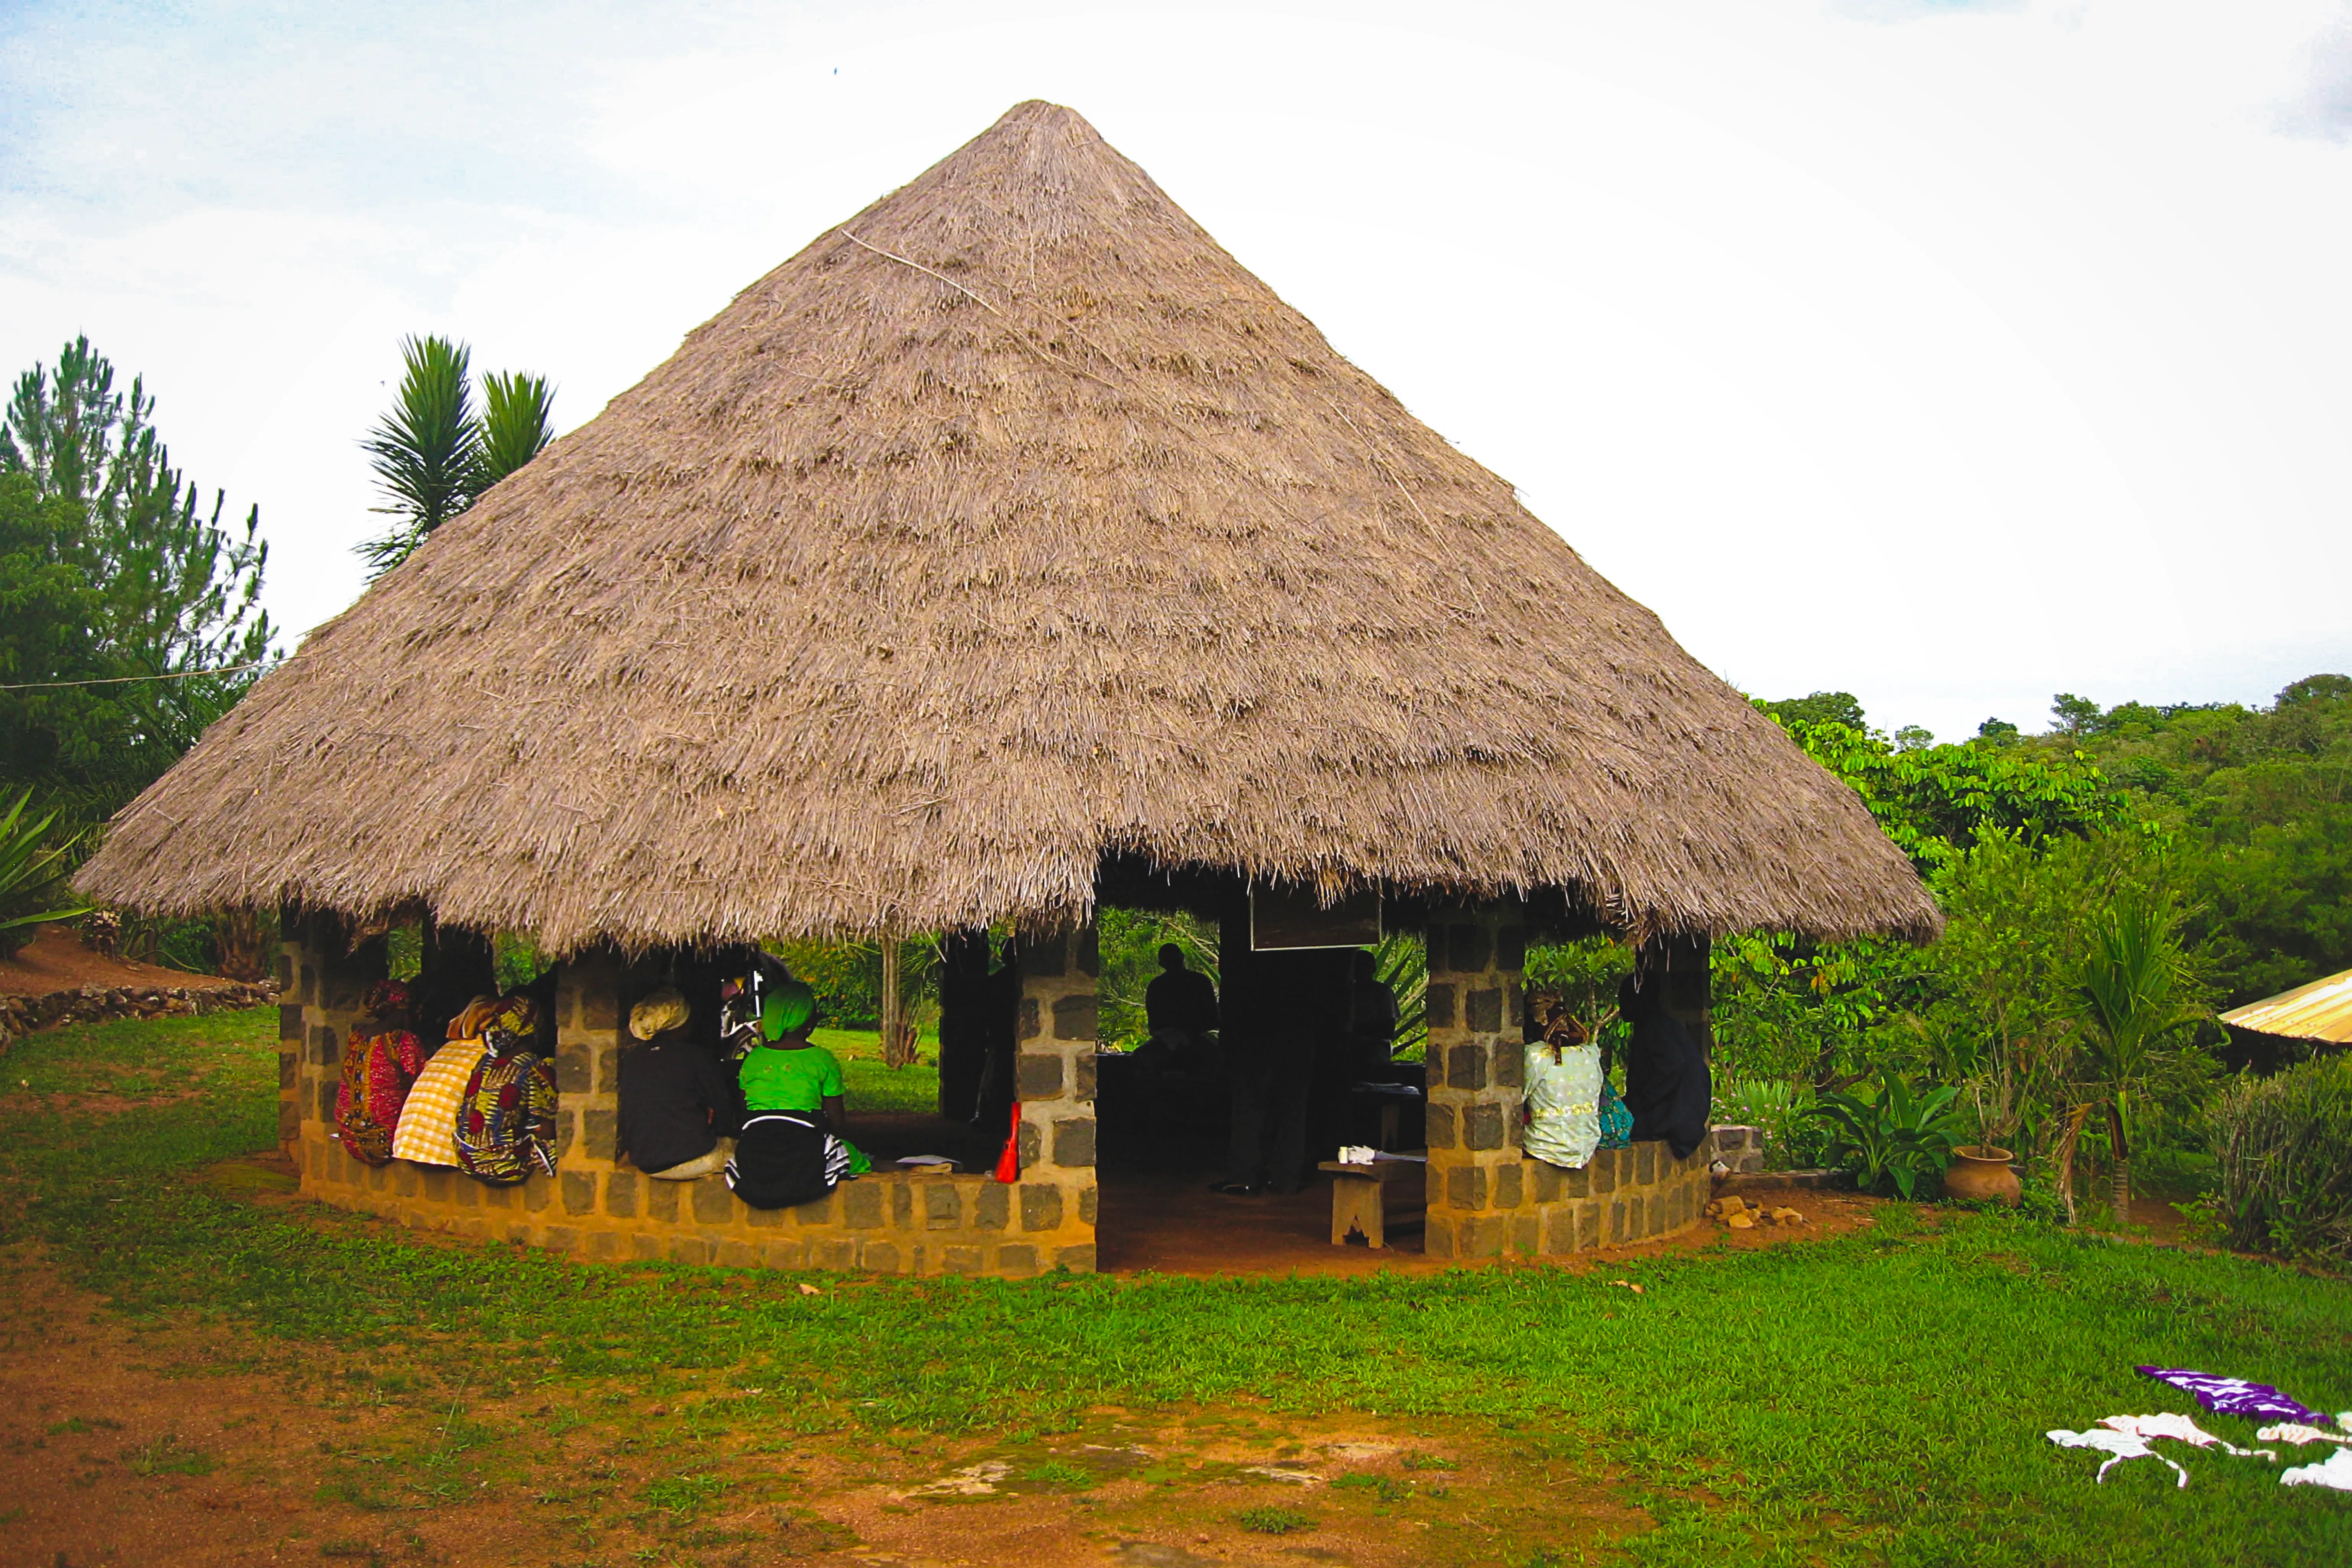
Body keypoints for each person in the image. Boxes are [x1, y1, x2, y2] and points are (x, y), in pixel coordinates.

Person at [726, 979, 862, 1209]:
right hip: (804, 1154)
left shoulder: (754, 1058)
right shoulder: (823, 1059)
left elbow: (744, 1113)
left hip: (755, 1153)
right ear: (809, 1024)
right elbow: (837, 1122)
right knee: (853, 1157)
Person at [617, 985, 744, 1180]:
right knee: (746, 1154)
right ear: (681, 1025)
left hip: (644, 1160)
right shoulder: (695, 1057)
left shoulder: (632, 1059)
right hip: (690, 1157)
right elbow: (723, 1112)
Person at [1616, 972, 1711, 1159]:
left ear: (1638, 1000)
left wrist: (1642, 1102)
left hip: (1678, 1122)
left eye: (1624, 1000)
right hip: (1686, 1117)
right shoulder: (1661, 1024)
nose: (1621, 1008)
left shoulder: (1655, 1028)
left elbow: (1673, 1066)